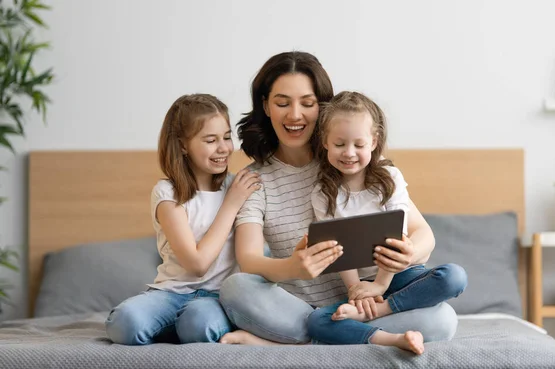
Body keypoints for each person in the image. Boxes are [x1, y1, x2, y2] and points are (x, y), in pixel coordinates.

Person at [218, 51, 460, 347]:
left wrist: (408, 255)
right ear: (266, 105)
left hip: (371, 303)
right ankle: (323, 332)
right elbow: (249, 261)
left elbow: (423, 234)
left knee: (443, 321)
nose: (295, 115)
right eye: (283, 103)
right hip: (296, 310)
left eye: (307, 104)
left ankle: (310, 341)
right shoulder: (254, 180)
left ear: (322, 108)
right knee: (235, 288)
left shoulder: (354, 159)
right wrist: (292, 267)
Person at [306, 91, 467, 353]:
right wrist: (356, 291)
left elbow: (397, 236)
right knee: (316, 321)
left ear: (373, 141)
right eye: (339, 144)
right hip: (362, 280)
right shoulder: (322, 193)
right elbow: (337, 250)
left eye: (358, 145)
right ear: (325, 141)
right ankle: (391, 338)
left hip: (401, 275)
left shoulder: (389, 179)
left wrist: (380, 286)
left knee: (454, 277)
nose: (349, 153)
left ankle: (380, 311)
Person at [105, 94, 261, 345]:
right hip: (170, 293)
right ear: (183, 145)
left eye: (227, 137)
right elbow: (197, 263)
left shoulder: (237, 185)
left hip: (217, 297)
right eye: (210, 140)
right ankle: (170, 323)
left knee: (199, 325)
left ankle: (178, 326)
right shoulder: (168, 193)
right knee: (125, 323)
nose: (224, 148)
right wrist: (231, 204)